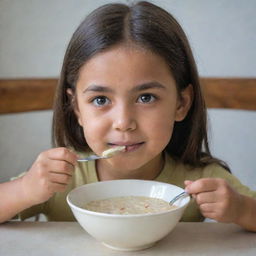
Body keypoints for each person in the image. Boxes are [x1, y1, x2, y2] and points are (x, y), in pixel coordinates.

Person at [0, 1, 255, 231]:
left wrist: (241, 209)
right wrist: (25, 190)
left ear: (181, 103)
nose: (123, 123)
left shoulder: (200, 178)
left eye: (146, 98)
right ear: (77, 108)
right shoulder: (63, 178)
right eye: (100, 100)